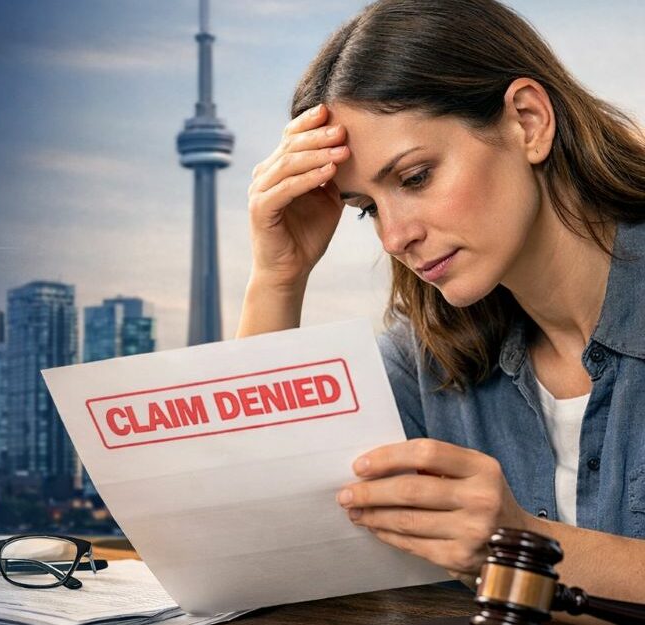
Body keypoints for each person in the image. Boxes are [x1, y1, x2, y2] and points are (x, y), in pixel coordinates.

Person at [237, 0, 645, 604]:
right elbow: (258, 528)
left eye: (415, 176)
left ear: (528, 121)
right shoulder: (429, 354)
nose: (395, 237)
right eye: (367, 209)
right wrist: (278, 277)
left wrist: (521, 541)